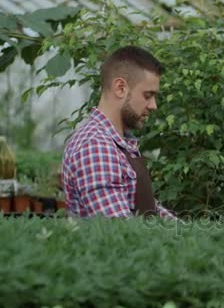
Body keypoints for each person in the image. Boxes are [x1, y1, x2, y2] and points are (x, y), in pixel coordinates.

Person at [62, 46, 176, 219]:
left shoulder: (119, 144)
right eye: (147, 95)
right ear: (121, 88)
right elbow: (121, 231)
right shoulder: (96, 147)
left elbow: (150, 209)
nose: (154, 105)